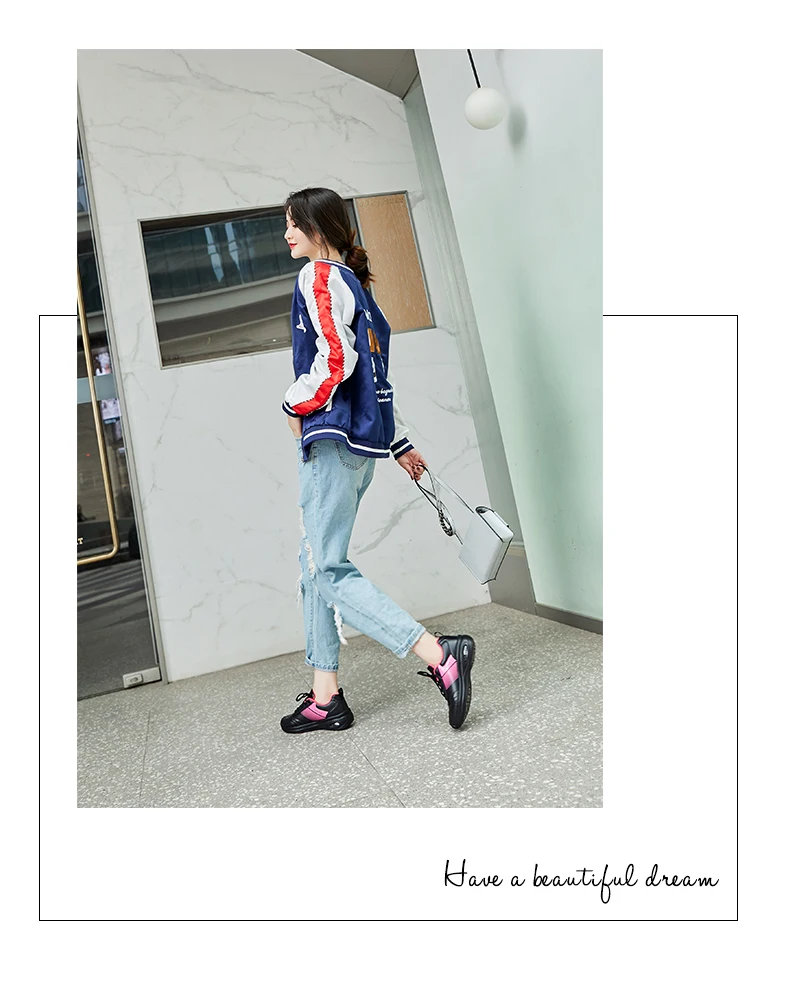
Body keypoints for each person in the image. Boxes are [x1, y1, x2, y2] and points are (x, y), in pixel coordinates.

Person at [279, 187, 476, 734]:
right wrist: (400, 442)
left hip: (332, 444)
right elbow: (376, 380)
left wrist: (294, 403)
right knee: (314, 566)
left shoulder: (319, 276)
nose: (287, 234)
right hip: (359, 449)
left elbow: (336, 361)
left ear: (319, 227)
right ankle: (325, 696)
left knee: (327, 568)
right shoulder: (360, 290)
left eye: (293, 223)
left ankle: (439, 654)